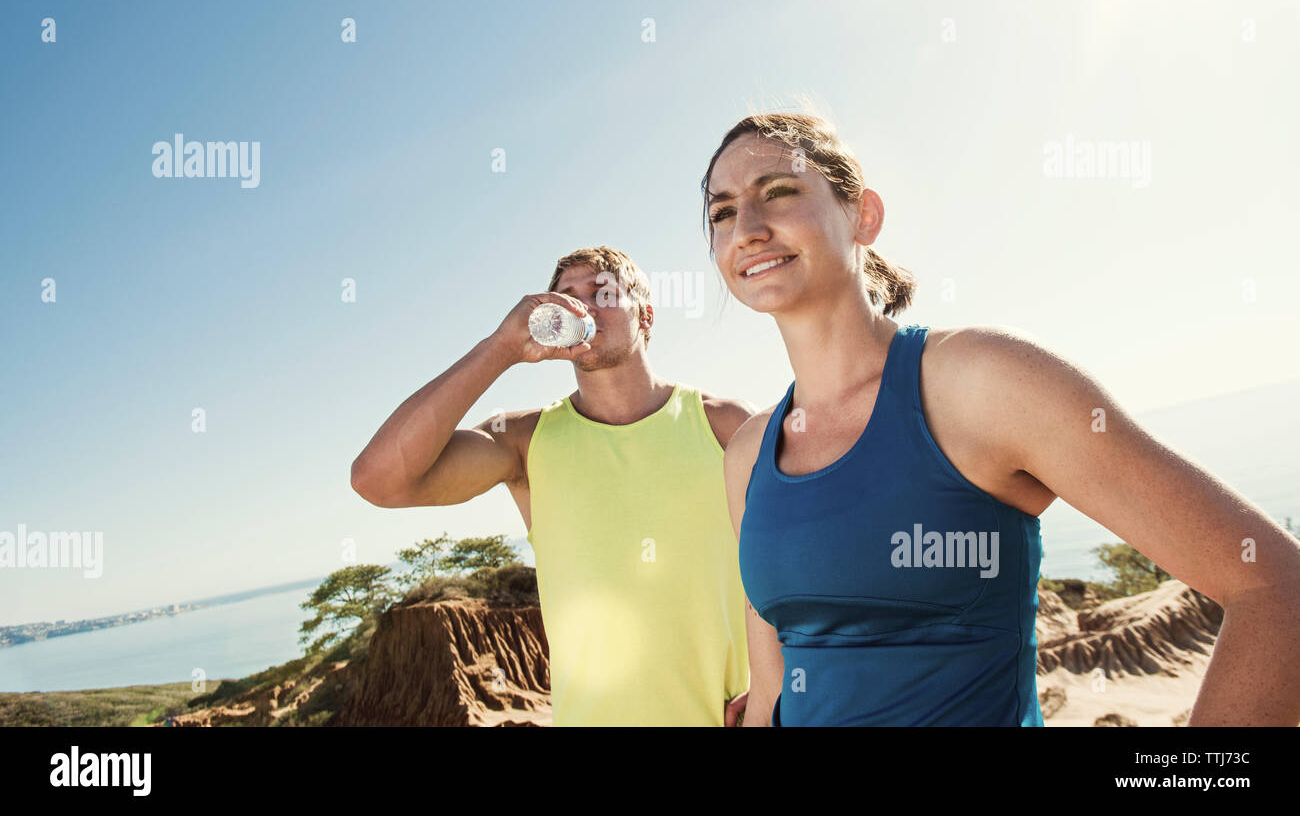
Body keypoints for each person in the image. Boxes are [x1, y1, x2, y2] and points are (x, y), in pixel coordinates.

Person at [701, 110, 1300, 727]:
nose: (746, 228)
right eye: (721, 213)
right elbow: (772, 682)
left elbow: (1276, 588)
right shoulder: (748, 452)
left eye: (778, 192)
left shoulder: (981, 380)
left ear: (863, 214)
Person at [350, 246, 755, 726]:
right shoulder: (523, 441)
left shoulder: (724, 425)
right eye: (564, 298)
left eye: (602, 291)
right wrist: (501, 347)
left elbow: (788, 567)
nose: (582, 306)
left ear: (645, 315)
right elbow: (378, 480)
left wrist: (774, 690)